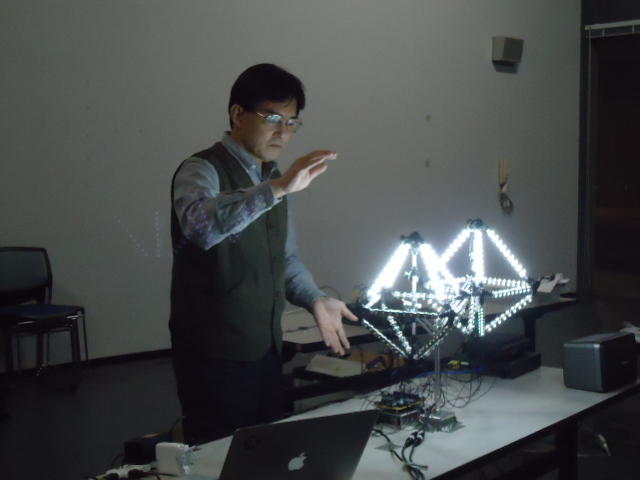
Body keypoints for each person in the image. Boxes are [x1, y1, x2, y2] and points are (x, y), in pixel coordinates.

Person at [169, 63, 357, 444]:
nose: (283, 132)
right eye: (272, 118)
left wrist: (315, 299)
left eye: (291, 122)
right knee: (216, 456)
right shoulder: (201, 169)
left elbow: (284, 259)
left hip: (267, 350)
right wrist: (278, 189)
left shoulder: (275, 178)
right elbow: (200, 226)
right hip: (214, 355)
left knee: (265, 452)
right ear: (237, 114)